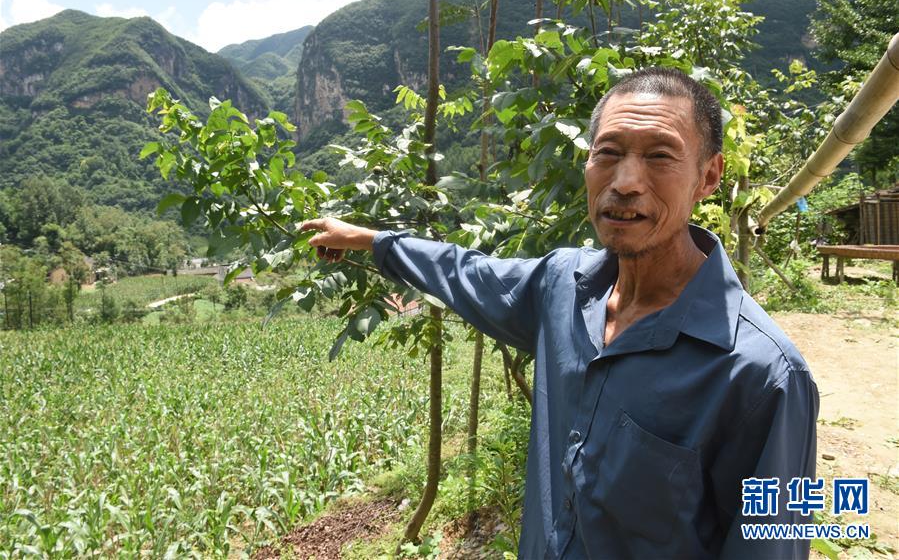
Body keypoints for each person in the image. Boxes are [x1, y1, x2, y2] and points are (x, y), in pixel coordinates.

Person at [301, 67, 818, 559]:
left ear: (708, 176)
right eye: (608, 153)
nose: (625, 181)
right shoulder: (562, 287)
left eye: (660, 156)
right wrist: (374, 241)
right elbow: (467, 272)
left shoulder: (763, 376)